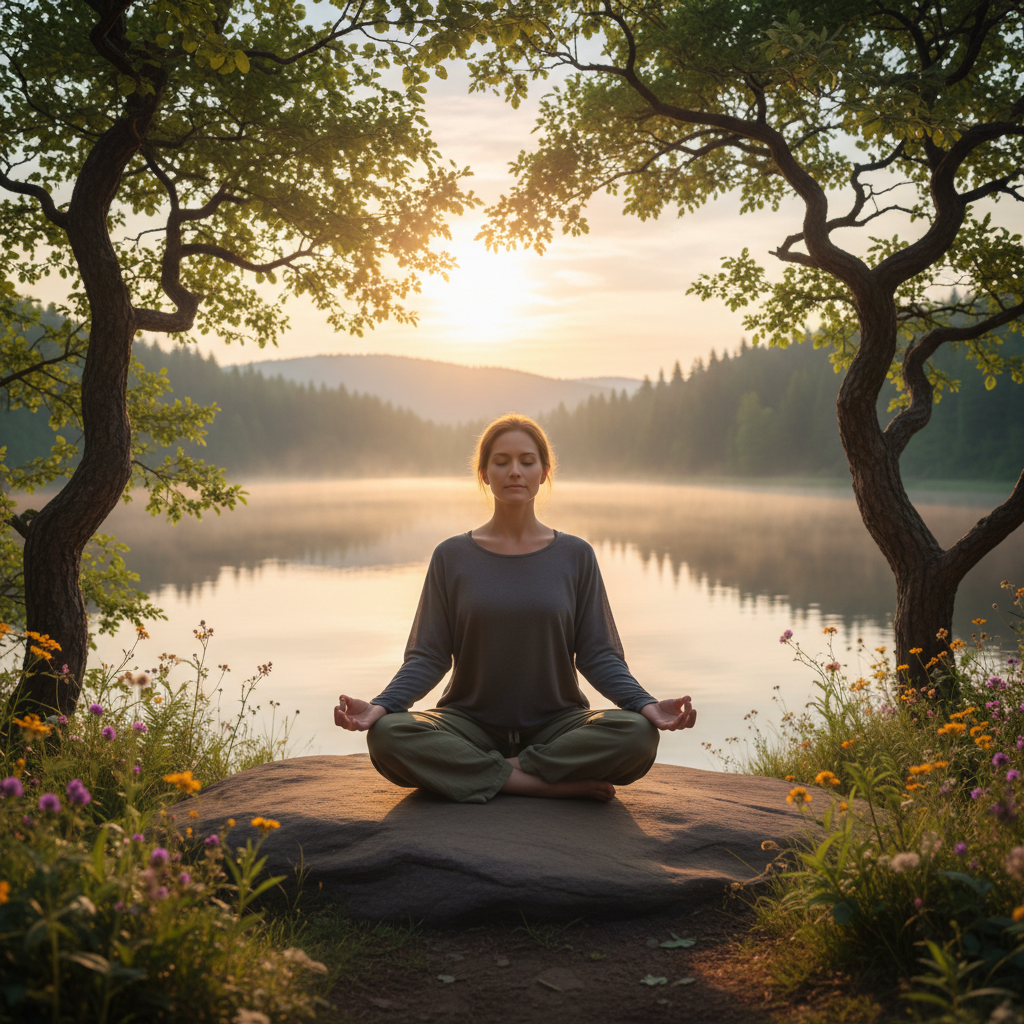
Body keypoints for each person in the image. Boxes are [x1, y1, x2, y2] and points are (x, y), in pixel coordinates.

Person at [334, 413, 697, 803]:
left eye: (527, 461)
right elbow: (428, 656)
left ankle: (485, 773)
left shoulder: (575, 555)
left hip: (559, 724)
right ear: (484, 474)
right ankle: (535, 782)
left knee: (637, 734)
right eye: (501, 461)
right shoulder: (451, 556)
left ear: (544, 473)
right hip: (466, 724)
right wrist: (381, 706)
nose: (514, 472)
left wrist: (644, 704)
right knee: (388, 736)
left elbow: (598, 654)